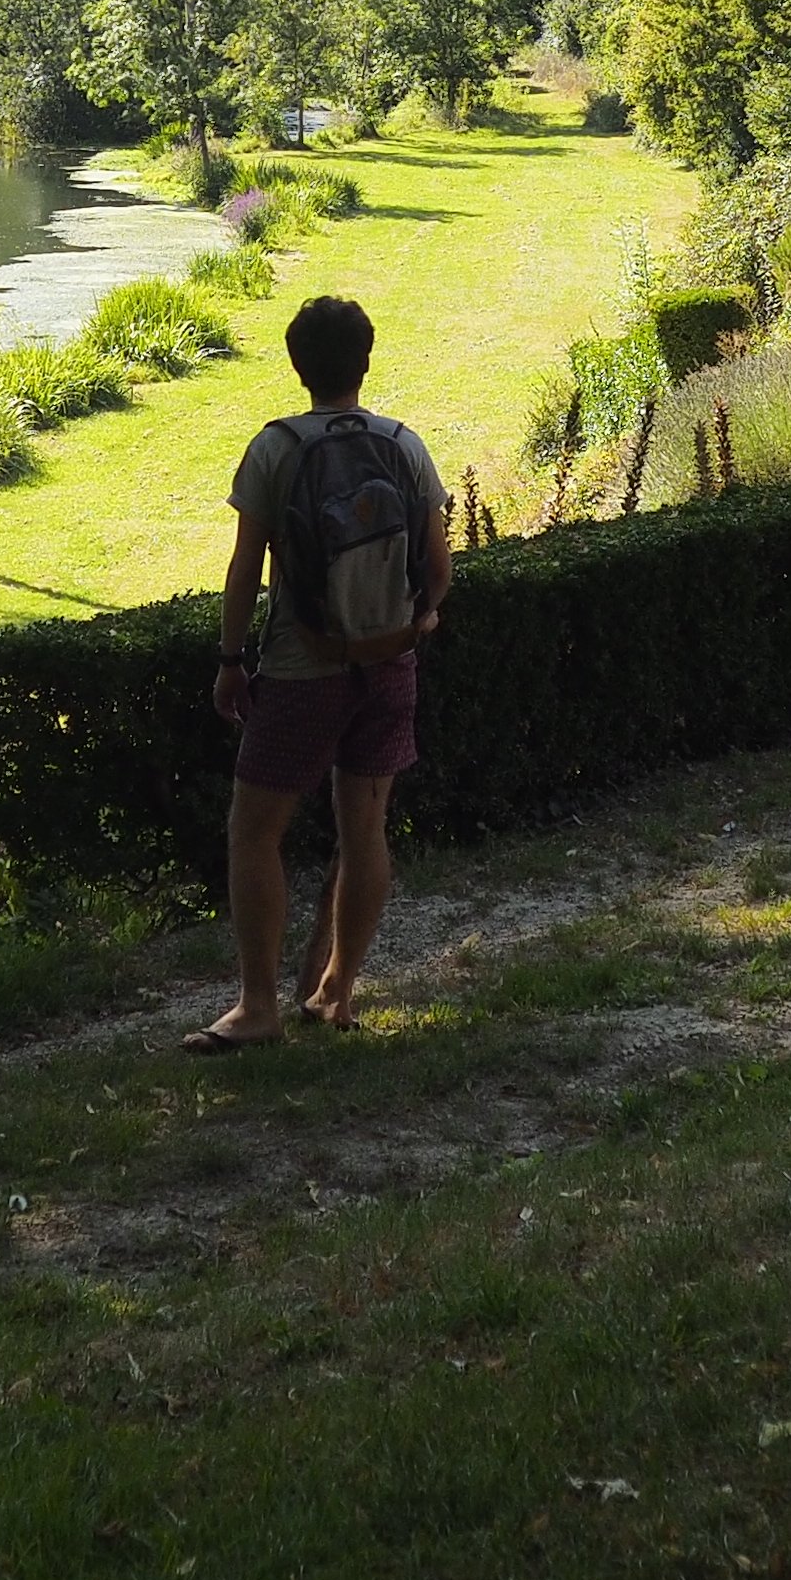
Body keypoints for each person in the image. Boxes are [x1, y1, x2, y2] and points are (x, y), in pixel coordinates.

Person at [186, 293, 450, 1053]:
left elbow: (245, 572)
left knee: (254, 831)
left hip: (302, 671)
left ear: (298, 365)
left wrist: (232, 662)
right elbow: (437, 569)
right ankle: (337, 991)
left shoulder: (276, 449)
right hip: (387, 661)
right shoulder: (405, 444)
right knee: (364, 828)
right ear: (365, 362)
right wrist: (418, 620)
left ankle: (258, 1005)